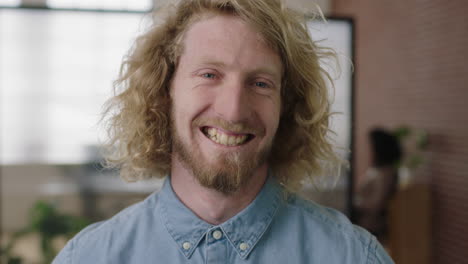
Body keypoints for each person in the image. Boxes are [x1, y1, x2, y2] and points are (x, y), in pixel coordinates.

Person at [53, 0, 393, 263]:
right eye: (209, 74)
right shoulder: (89, 257)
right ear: (165, 89)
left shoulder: (354, 256)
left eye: (260, 83)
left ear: (285, 106)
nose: (233, 110)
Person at [355, 128, 402, 242]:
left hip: (372, 227)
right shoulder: (376, 169)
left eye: (369, 146)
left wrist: (356, 203)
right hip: (363, 224)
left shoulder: (386, 173)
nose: (367, 149)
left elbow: (377, 203)